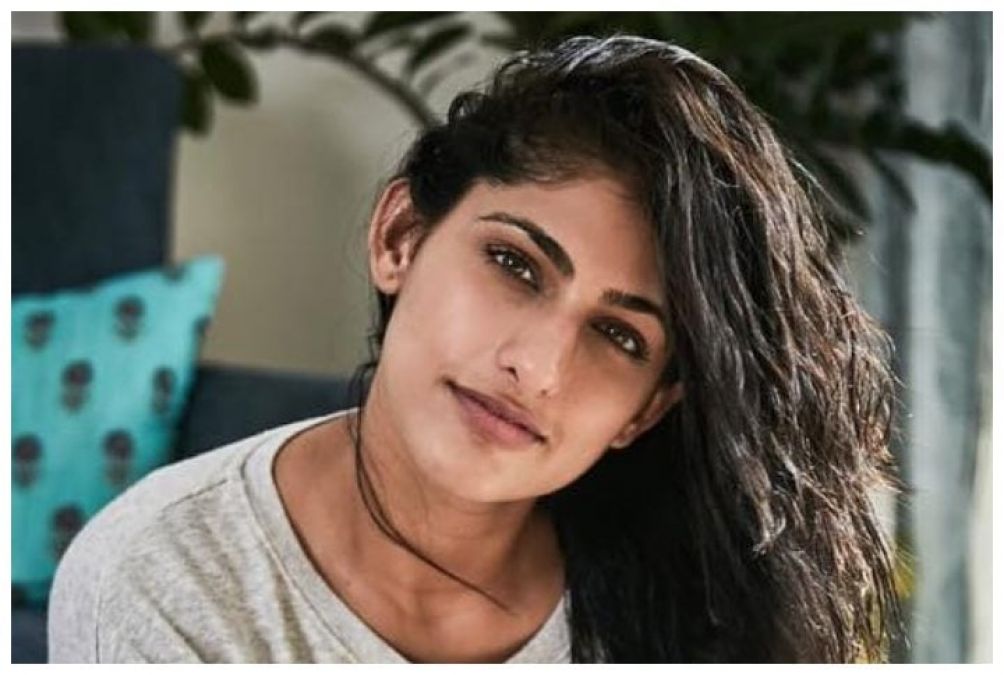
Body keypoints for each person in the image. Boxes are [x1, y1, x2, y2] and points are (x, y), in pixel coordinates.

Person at [48, 34, 901, 663]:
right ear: (400, 237)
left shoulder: (694, 610)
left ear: (645, 409)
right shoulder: (165, 573)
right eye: (515, 264)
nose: (539, 366)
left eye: (619, 334)